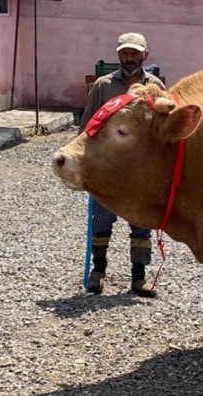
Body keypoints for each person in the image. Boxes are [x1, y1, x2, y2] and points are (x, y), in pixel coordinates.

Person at [77, 32, 165, 298]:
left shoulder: (155, 86)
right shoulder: (103, 86)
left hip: (141, 170)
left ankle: (139, 279)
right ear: (119, 55)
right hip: (108, 168)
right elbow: (87, 127)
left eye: (134, 53)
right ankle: (98, 273)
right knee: (101, 221)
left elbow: (163, 129)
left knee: (141, 223)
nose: (129, 58)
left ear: (144, 56)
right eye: (125, 53)